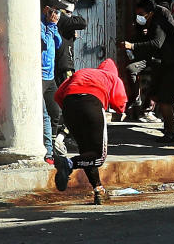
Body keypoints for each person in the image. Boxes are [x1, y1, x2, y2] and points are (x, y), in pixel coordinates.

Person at [52, 58, 127, 205]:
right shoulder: (112, 77)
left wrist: (71, 111)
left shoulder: (82, 72)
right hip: (91, 105)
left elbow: (57, 95)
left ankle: (99, 190)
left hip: (69, 106)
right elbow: (120, 102)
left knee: (86, 153)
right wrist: (121, 110)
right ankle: (68, 164)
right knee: (98, 156)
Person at [120, 0, 174, 142]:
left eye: (141, 14)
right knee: (155, 94)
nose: (139, 17)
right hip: (167, 64)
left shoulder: (158, 24)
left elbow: (157, 44)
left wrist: (132, 46)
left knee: (165, 100)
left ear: (150, 13)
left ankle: (170, 133)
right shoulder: (151, 24)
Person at [40, 0, 65, 163]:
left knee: (56, 111)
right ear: (46, 10)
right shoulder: (39, 26)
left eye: (58, 12)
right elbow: (44, 43)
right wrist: (49, 27)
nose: (56, 15)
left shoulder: (52, 26)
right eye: (54, 11)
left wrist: (53, 27)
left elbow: (58, 44)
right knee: (44, 116)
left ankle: (52, 145)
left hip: (50, 76)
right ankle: (48, 152)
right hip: (39, 76)